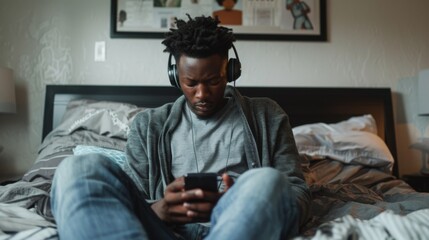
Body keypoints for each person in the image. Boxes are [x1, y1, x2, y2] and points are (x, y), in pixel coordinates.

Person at [50, 15, 311, 240]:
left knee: (267, 180)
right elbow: (132, 200)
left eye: (213, 81)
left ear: (230, 71)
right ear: (175, 76)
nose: (201, 94)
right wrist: (161, 208)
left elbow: (297, 195)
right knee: (78, 168)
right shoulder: (149, 126)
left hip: (242, 225)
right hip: (165, 230)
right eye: (191, 83)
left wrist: (240, 201)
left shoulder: (267, 115)